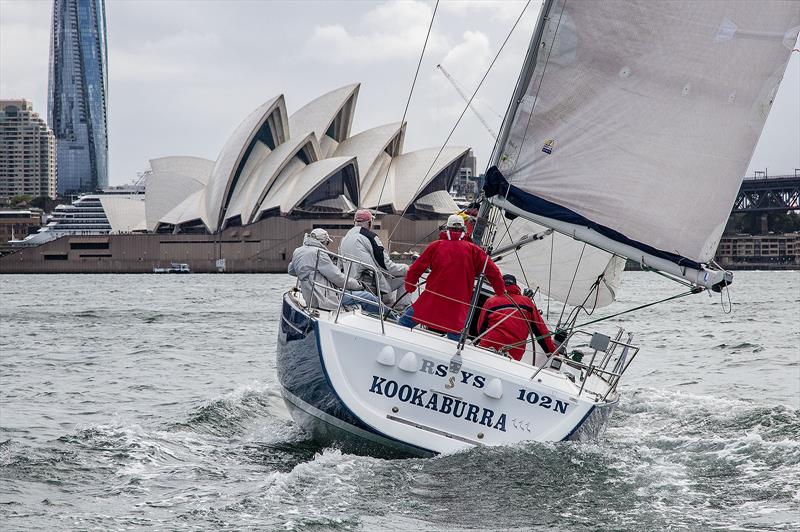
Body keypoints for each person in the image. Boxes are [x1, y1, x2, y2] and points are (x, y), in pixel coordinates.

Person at [398, 214, 506, 340]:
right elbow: (492, 271)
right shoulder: (474, 250)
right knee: (456, 335)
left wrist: (410, 286)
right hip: (458, 305)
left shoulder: (436, 245)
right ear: (463, 230)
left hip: (432, 299)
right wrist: (500, 291)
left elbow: (415, 269)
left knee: (403, 323)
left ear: (447, 229)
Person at [288, 228, 381, 314]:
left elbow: (291, 270)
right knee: (367, 297)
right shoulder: (319, 253)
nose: (326, 245)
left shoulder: (298, 251)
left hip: (309, 295)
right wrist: (358, 285)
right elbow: (337, 277)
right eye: (327, 242)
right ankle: (390, 318)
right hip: (324, 297)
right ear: (323, 241)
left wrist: (309, 271)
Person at [477, 274, 557, 361]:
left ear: (501, 284)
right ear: (515, 285)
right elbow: (542, 333)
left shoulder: (491, 301)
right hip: (514, 354)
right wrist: (554, 355)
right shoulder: (527, 302)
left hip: (489, 346)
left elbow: (480, 329)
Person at [339, 209, 408, 306]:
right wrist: (407, 268)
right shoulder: (370, 237)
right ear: (370, 223)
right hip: (370, 286)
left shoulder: (344, 239)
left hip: (351, 285)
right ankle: (401, 308)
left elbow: (340, 266)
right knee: (408, 277)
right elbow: (386, 266)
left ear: (354, 222)